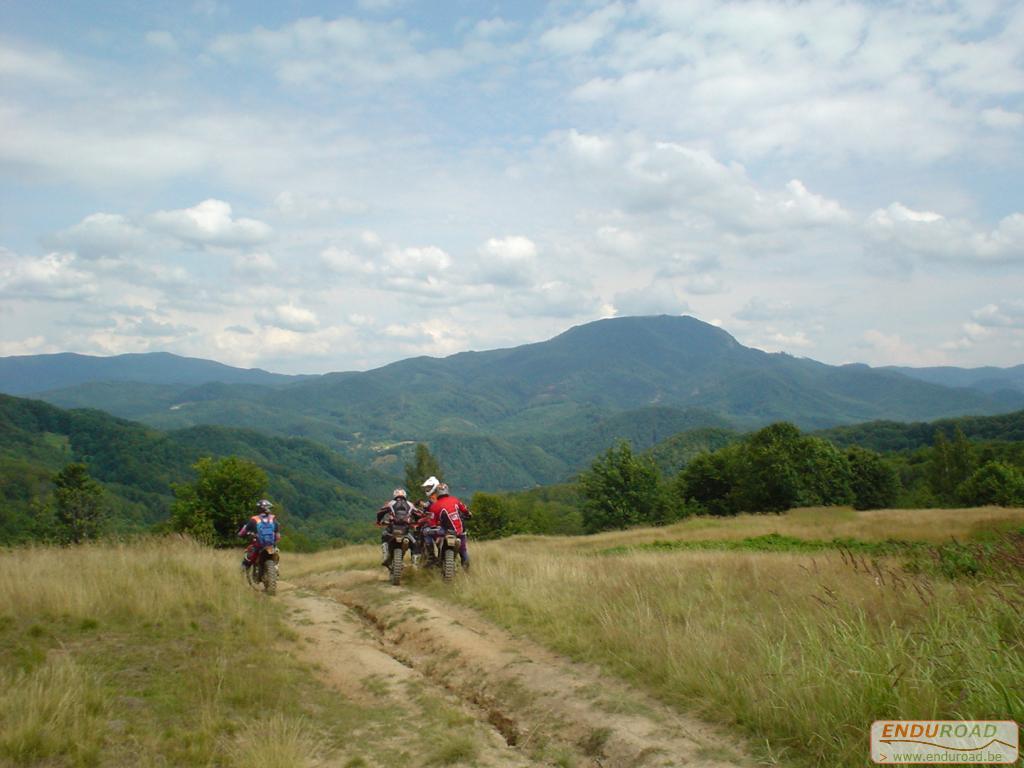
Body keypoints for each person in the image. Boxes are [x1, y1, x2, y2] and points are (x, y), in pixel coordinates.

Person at [425, 481, 472, 571]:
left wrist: (434, 528)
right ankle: (467, 573)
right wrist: (469, 514)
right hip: (460, 531)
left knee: (425, 532)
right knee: (463, 550)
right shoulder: (455, 500)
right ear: (447, 491)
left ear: (437, 493)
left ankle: (431, 556)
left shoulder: (434, 506)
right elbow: (466, 510)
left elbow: (432, 523)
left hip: (445, 531)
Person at [377, 488, 414, 565]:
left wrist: (378, 521)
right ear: (405, 495)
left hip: (392, 530)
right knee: (415, 544)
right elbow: (418, 514)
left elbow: (380, 512)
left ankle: (386, 555)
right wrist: (416, 522)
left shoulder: (390, 503)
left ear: (395, 495)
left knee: (384, 536)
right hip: (405, 531)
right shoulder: (410, 504)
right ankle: (414, 563)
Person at [239, 499, 280, 570]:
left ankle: (244, 568)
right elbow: (277, 533)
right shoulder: (273, 519)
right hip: (271, 545)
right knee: (276, 552)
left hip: (259, 545)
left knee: (248, 555)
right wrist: (275, 540)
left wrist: (240, 534)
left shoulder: (254, 519)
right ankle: (276, 568)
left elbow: (244, 531)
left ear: (259, 509)